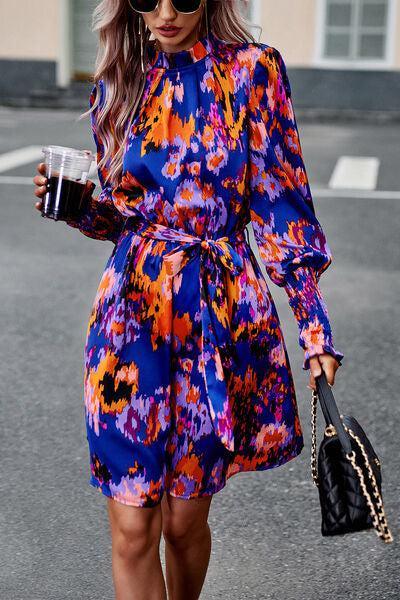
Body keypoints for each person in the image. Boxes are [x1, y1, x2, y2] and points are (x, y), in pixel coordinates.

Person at [33, 1, 344, 598]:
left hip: (216, 315)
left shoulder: (253, 73)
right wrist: (77, 206)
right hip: (130, 318)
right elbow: (121, 216)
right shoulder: (119, 83)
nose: (168, 12)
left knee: (182, 522)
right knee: (130, 527)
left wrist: (314, 327)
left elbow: (283, 211)